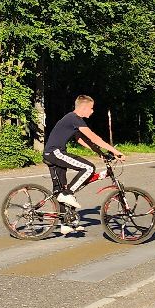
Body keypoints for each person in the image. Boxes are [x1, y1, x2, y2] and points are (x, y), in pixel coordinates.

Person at [44, 94, 123, 237]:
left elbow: (82, 140)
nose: (92, 111)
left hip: (55, 153)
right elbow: (93, 137)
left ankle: (65, 224)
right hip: (54, 153)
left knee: (61, 188)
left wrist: (100, 152)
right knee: (88, 168)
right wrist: (115, 151)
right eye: (91, 108)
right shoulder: (74, 118)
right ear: (84, 107)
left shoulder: (73, 120)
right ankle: (66, 195)